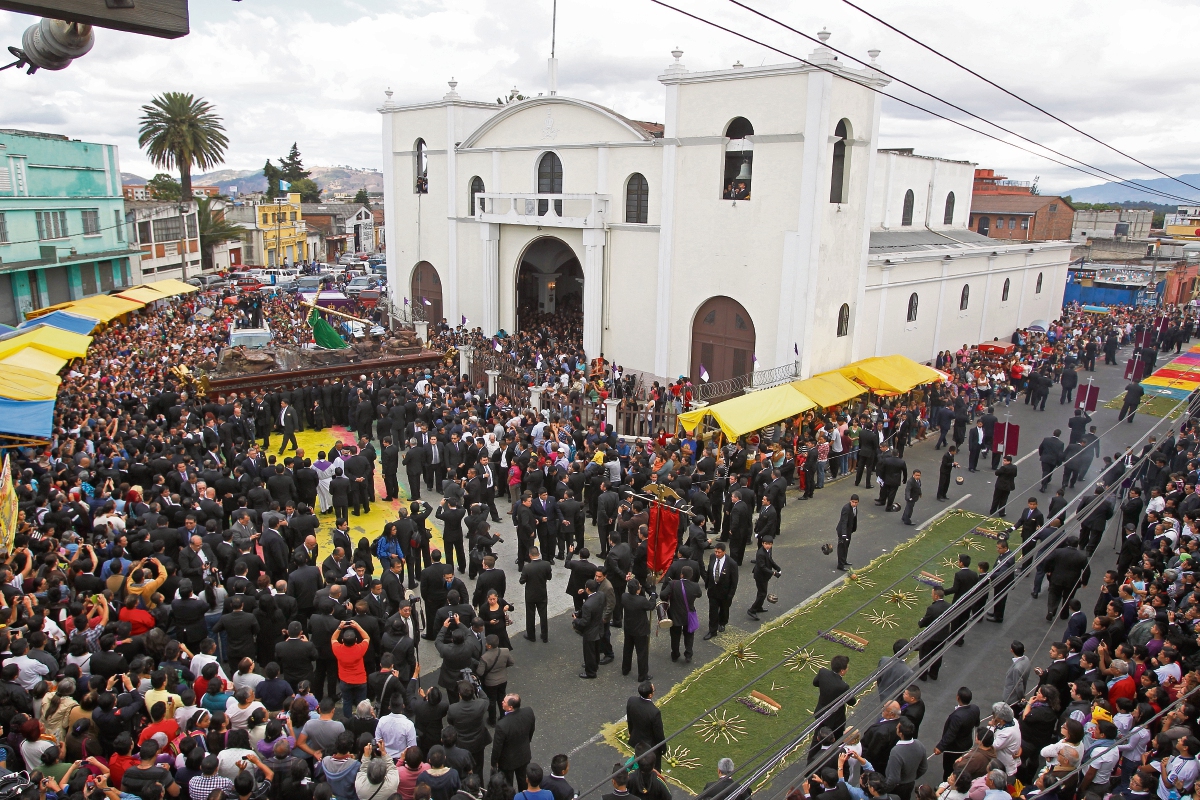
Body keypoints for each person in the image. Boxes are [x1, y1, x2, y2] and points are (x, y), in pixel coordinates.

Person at [492, 694, 535, 792]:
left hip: (507, 761)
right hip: (524, 755)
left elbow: (497, 747)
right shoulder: (528, 712)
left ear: (510, 707)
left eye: (504, 702)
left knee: (507, 785)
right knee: (523, 781)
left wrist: (494, 763)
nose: (502, 702)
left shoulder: (502, 725)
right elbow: (531, 729)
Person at [660, 566, 701, 662]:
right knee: (689, 634)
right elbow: (699, 594)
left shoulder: (673, 584)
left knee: (675, 636)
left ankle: (675, 654)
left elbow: (662, 595)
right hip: (688, 614)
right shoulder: (695, 586)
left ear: (681, 575)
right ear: (691, 576)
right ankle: (688, 654)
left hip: (675, 614)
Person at [626, 682, 665, 772]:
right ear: (650, 695)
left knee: (639, 760)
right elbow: (659, 733)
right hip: (650, 746)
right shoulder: (654, 712)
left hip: (636, 740)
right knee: (654, 768)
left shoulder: (631, 700)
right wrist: (662, 748)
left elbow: (630, 719)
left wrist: (631, 731)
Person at [813, 655, 856, 737]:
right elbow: (852, 702)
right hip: (834, 721)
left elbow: (815, 683)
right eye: (847, 667)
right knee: (834, 740)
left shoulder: (823, 672)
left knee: (818, 735)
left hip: (820, 712)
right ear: (842, 671)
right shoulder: (843, 686)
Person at [702, 542, 738, 639]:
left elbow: (734, 582)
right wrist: (707, 585)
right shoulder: (712, 557)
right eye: (715, 552)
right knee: (712, 611)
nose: (717, 554)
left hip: (725, 593)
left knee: (724, 610)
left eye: (719, 552)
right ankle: (712, 630)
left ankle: (722, 622)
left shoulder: (731, 563)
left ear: (724, 552)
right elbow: (709, 571)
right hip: (713, 591)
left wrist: (730, 595)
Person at [519, 547, 553, 643]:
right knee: (543, 615)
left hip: (530, 595)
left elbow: (522, 581)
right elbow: (549, 577)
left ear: (530, 555)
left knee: (530, 615)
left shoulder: (527, 567)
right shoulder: (546, 564)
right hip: (542, 593)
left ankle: (531, 636)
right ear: (538, 554)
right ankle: (544, 636)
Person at [573, 580, 605, 679]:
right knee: (595, 650)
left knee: (589, 652)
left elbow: (584, 622)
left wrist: (576, 620)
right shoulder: (601, 595)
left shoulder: (587, 605)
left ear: (587, 589)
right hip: (598, 627)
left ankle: (590, 672)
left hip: (590, 632)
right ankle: (594, 665)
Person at [746, 536, 781, 621]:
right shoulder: (760, 553)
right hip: (760, 576)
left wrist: (777, 567)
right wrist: (774, 573)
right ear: (762, 543)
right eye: (766, 544)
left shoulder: (769, 550)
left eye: (769, 544)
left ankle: (759, 607)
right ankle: (752, 610)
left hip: (764, 576)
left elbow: (770, 560)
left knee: (762, 592)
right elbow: (762, 567)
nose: (768, 546)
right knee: (762, 593)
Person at [836, 495, 859, 569]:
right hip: (843, 531)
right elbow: (844, 522)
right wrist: (844, 534)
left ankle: (844, 560)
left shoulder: (854, 508)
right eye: (853, 502)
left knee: (846, 546)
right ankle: (840, 565)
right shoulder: (846, 508)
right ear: (850, 501)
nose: (854, 504)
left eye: (856, 502)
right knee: (842, 547)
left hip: (849, 531)